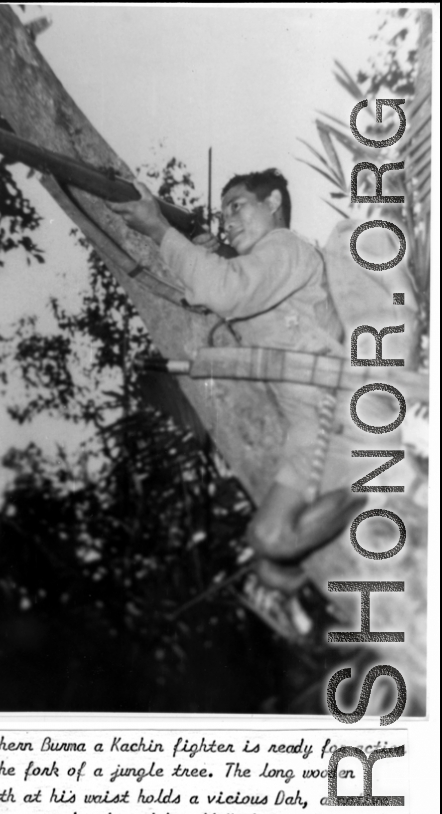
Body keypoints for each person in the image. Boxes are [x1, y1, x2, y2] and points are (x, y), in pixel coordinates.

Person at [107, 169, 365, 592]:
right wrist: (213, 257)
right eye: (223, 214)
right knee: (271, 562)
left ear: (274, 203)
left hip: (333, 415)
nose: (227, 220)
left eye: (238, 207)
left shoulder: (284, 245)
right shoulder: (269, 261)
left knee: (270, 541)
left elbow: (225, 292)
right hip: (309, 424)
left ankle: (375, 488)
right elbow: (238, 299)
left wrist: (159, 229)